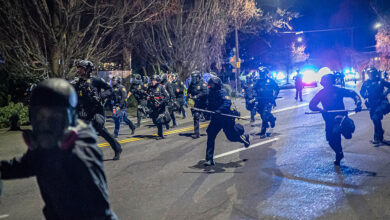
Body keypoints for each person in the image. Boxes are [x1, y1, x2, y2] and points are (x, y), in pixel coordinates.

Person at [0, 79, 117, 219]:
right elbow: (26, 165)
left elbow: (101, 211)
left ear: (69, 118)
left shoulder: (81, 153)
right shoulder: (45, 146)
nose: (46, 123)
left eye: (54, 116)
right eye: (41, 116)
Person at [72, 60, 122, 160]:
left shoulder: (96, 80)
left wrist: (101, 96)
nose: (79, 70)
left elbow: (110, 90)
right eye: (78, 68)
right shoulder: (77, 83)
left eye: (81, 68)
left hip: (96, 111)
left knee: (101, 130)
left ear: (87, 69)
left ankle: (117, 148)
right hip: (83, 112)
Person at [309, 74, 362, 165]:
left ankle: (347, 129)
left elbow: (353, 94)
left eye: (328, 82)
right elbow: (312, 105)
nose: (326, 84)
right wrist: (320, 110)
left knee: (336, 133)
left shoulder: (338, 90)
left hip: (341, 117)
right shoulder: (321, 93)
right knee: (330, 140)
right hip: (329, 119)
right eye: (324, 82)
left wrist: (358, 103)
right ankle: (339, 152)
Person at [204, 76, 250, 166]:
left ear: (217, 85)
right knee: (210, 135)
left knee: (231, 137)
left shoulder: (222, 92)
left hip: (225, 118)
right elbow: (209, 104)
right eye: (210, 84)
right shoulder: (210, 93)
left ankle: (244, 138)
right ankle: (209, 159)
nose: (210, 86)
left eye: (212, 84)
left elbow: (227, 103)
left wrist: (219, 110)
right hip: (216, 119)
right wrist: (205, 110)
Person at [360, 67, 390, 144]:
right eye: (370, 73)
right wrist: (365, 96)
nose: (371, 74)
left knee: (376, 117)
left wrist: (385, 93)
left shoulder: (381, 81)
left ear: (375, 73)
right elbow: (362, 92)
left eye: (373, 73)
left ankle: (378, 135)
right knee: (375, 119)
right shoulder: (366, 83)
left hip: (382, 102)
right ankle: (379, 137)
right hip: (372, 104)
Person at [254, 68, 280, 138]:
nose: (261, 75)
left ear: (265, 73)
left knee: (265, 114)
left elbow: (277, 88)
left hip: (268, 100)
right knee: (262, 116)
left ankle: (263, 132)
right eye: (260, 74)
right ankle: (272, 119)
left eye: (263, 73)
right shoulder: (258, 81)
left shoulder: (270, 81)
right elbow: (254, 90)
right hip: (260, 101)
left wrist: (274, 96)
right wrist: (254, 98)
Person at [147, 75, 170, 140]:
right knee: (155, 121)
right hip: (153, 107)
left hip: (161, 106)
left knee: (159, 120)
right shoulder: (150, 88)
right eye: (151, 80)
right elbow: (148, 95)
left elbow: (167, 96)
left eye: (153, 80)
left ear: (157, 81)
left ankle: (160, 135)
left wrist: (160, 103)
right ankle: (165, 123)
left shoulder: (161, 87)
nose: (152, 81)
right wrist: (148, 98)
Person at [187, 71, 208, 139]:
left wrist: (197, 96)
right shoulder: (192, 84)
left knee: (209, 118)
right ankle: (197, 134)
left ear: (198, 77)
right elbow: (188, 91)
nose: (193, 79)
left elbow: (205, 92)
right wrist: (189, 95)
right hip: (196, 104)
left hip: (204, 103)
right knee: (196, 117)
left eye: (195, 77)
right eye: (192, 77)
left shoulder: (203, 83)